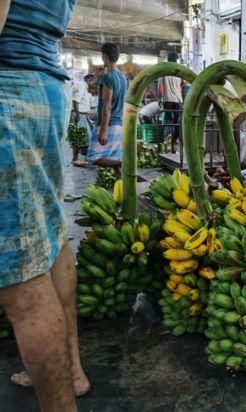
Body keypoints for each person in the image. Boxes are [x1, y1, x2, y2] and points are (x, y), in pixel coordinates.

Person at [0, 0, 89, 410]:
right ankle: (72, 371)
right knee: (51, 239)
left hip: (9, 92)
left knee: (19, 279)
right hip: (46, 86)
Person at [86, 43, 127, 178]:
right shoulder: (123, 77)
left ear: (105, 57)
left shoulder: (108, 77)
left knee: (93, 157)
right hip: (119, 124)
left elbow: (107, 105)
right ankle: (121, 194)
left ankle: (124, 163)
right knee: (116, 166)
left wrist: (103, 130)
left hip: (109, 124)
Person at [159, 52, 183, 153]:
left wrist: (159, 99)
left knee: (168, 123)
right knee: (177, 123)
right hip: (178, 100)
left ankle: (168, 145)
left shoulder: (165, 71)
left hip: (168, 100)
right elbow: (181, 85)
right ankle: (173, 143)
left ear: (168, 60)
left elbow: (160, 87)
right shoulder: (179, 72)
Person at [71, 73, 96, 165]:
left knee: (83, 137)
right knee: (78, 137)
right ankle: (75, 159)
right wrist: (77, 114)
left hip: (82, 115)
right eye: (93, 82)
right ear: (90, 80)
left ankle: (80, 157)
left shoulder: (84, 87)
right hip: (78, 114)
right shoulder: (81, 86)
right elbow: (75, 101)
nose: (94, 85)